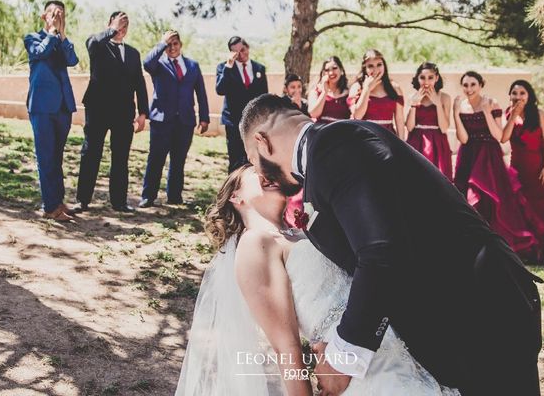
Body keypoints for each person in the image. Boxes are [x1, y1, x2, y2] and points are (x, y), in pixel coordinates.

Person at [239, 94, 543, 396]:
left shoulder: (334, 145)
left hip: (480, 310)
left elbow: (381, 253)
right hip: (466, 314)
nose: (263, 173)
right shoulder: (336, 147)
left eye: (255, 160)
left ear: (263, 141)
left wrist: (342, 360)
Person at [175, 164, 459, 396]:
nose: (267, 173)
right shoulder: (255, 243)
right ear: (237, 197)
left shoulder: (303, 232)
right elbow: (286, 347)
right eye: (256, 171)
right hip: (356, 371)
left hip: (391, 346)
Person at [453, 71, 543, 260]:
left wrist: (486, 111)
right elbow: (464, 138)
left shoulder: (492, 103)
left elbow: (499, 136)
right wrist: (455, 113)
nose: (469, 89)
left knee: (490, 199)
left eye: (473, 85)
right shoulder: (461, 106)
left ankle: (493, 244)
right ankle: (472, 242)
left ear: (480, 85)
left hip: (487, 156)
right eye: (466, 85)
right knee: (464, 198)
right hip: (468, 154)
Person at [75, 11, 148, 213]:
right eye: (119, 24)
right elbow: (92, 44)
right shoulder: (98, 44)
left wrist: (143, 112)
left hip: (124, 112)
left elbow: (139, 83)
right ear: (110, 24)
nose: (122, 28)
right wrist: (112, 29)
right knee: (91, 153)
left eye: (126, 25)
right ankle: (82, 200)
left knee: (120, 157)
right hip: (98, 110)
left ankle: (119, 202)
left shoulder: (133, 53)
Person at [138, 30, 210, 208]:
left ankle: (174, 196)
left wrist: (204, 118)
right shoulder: (158, 65)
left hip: (185, 121)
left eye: (175, 43)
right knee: (156, 159)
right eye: (169, 45)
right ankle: (148, 196)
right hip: (161, 120)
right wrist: (162, 43)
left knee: (178, 160)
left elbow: (201, 92)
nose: (172, 48)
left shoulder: (192, 66)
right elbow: (146, 63)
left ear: (181, 44)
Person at [24, 0, 78, 221]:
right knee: (45, 157)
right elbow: (40, 52)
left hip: (63, 107)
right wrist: (53, 32)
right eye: (53, 13)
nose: (57, 17)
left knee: (57, 157)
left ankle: (58, 201)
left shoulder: (62, 40)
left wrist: (62, 34)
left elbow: (72, 60)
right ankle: (49, 207)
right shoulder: (33, 38)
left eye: (61, 14)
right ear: (43, 16)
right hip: (42, 107)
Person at [501, 80, 544, 262]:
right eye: (514, 93)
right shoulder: (508, 114)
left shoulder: (539, 115)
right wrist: (512, 116)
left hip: (537, 168)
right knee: (519, 209)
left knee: (538, 208)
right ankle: (524, 251)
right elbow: (503, 138)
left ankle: (542, 251)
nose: (518, 97)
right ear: (510, 96)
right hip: (517, 168)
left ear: (529, 96)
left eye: (522, 93)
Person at [216, 36, 268, 173]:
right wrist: (228, 66)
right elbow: (220, 90)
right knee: (235, 159)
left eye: (243, 50)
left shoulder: (259, 68)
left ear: (248, 47)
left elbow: (264, 96)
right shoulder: (224, 68)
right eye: (236, 53)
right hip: (233, 121)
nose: (241, 55)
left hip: (254, 122)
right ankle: (233, 191)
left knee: (253, 158)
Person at [406, 62, 453, 180]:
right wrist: (414, 105)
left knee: (438, 179)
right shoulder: (412, 96)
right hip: (416, 141)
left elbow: (444, 128)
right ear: (417, 78)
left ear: (436, 78)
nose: (426, 82)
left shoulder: (445, 98)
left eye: (430, 77)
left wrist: (437, 103)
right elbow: (410, 127)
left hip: (438, 142)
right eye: (422, 77)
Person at [348, 50, 405, 139]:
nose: (376, 69)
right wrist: (367, 89)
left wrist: (402, 146)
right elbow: (357, 116)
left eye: (379, 64)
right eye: (370, 66)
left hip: (388, 137)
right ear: (364, 68)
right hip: (364, 137)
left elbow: (399, 120)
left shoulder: (395, 88)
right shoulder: (356, 87)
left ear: (384, 65)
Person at [307, 56, 350, 123]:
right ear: (323, 73)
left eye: (334, 68)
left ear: (341, 70)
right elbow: (314, 114)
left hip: (343, 130)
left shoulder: (349, 93)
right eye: (327, 70)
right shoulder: (315, 91)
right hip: (322, 130)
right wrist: (324, 92)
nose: (331, 73)